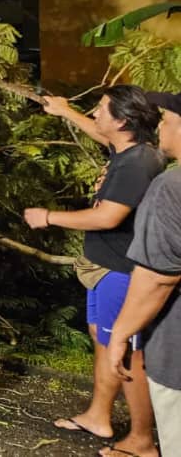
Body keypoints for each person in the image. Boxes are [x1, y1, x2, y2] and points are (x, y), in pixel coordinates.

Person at [23, 86, 164, 457]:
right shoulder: (127, 148)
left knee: (126, 354)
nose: (96, 115)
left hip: (121, 272)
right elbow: (99, 132)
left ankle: (141, 441)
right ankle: (99, 416)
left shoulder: (137, 163)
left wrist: (48, 217)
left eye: (102, 109)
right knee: (104, 345)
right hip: (105, 268)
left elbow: (108, 216)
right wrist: (65, 111)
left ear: (123, 120)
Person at [108, 91, 181, 457]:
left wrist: (121, 333)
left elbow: (158, 277)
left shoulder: (171, 188)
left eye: (168, 119)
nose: (161, 125)